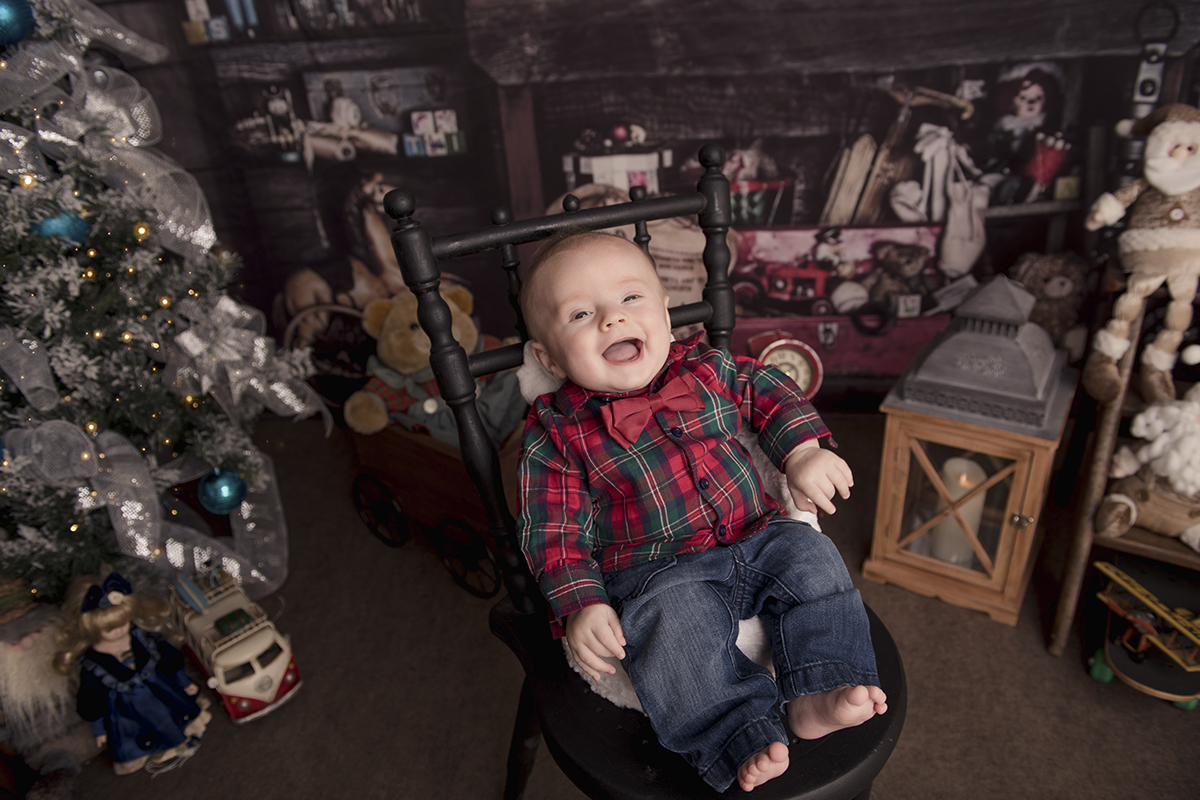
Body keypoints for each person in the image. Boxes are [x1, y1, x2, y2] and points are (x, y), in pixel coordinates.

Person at [516, 230, 887, 793]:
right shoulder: (558, 433)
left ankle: (818, 688)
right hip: (659, 572)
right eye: (582, 313)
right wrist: (581, 604)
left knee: (812, 557)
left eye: (630, 299)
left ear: (666, 315)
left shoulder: (708, 368)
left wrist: (803, 451)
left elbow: (770, 388)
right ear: (547, 356)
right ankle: (739, 734)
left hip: (758, 535)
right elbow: (552, 528)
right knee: (673, 637)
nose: (613, 320)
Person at [53, 573, 211, 776]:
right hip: (127, 711)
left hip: (161, 692)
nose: (119, 632)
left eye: (123, 624)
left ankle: (185, 735)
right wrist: (98, 729)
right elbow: (91, 701)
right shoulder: (93, 664)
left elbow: (169, 659)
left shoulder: (142, 639)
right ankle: (161, 750)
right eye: (110, 629)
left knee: (177, 713)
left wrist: (183, 681)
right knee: (142, 734)